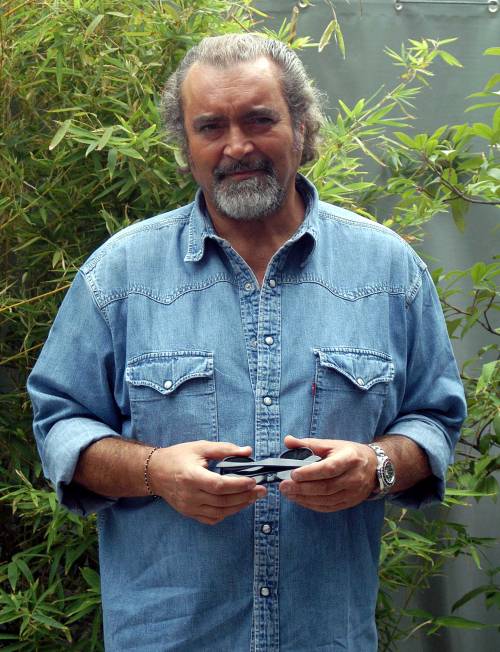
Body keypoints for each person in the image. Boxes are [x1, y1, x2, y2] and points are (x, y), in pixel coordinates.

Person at [28, 33, 466, 651]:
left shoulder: (389, 271)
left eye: (260, 120)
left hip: (325, 637)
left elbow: (435, 418)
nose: (237, 146)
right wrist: (154, 473)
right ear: (186, 146)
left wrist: (378, 466)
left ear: (302, 127)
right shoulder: (117, 276)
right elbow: (60, 426)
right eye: (210, 127)